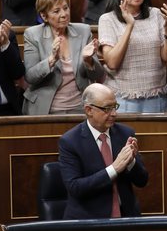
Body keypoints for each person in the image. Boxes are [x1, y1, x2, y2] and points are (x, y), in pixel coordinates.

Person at [58, 83, 149, 219]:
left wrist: (131, 162)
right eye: (107, 109)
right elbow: (75, 187)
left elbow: (142, 181)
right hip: (88, 221)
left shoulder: (125, 133)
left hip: (126, 218)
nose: (114, 113)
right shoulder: (70, 141)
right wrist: (114, 169)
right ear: (89, 110)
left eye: (115, 107)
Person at [98, 0, 167, 111]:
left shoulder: (156, 14)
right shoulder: (108, 19)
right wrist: (130, 25)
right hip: (124, 98)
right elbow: (112, 62)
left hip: (155, 95)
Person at [23, 0, 104, 115]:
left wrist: (88, 60)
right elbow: (30, 77)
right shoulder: (33, 35)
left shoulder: (83, 31)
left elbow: (97, 75)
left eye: (65, 8)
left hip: (80, 107)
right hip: (47, 109)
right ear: (44, 16)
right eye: (56, 11)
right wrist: (51, 60)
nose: (64, 14)